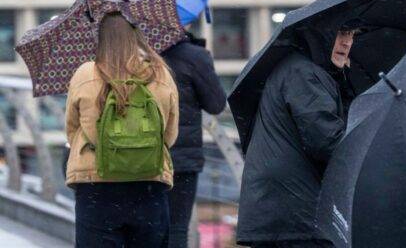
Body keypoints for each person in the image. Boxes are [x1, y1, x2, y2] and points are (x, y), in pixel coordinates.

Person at [236, 26, 358, 248]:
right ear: (323, 33)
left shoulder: (304, 69)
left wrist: (343, 82)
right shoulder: (304, 73)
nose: (347, 42)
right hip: (295, 214)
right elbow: (327, 142)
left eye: (352, 35)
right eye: (341, 33)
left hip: (283, 213)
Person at [65, 13, 179, 247]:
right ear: (136, 36)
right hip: (149, 184)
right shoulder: (160, 73)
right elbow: (169, 134)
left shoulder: (85, 73)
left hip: (96, 186)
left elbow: (71, 128)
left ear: (100, 39)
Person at [162, 29, 227, 248]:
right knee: (177, 228)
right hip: (183, 159)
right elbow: (216, 104)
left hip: (144, 157)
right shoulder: (194, 56)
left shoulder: (139, 54)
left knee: (146, 227)